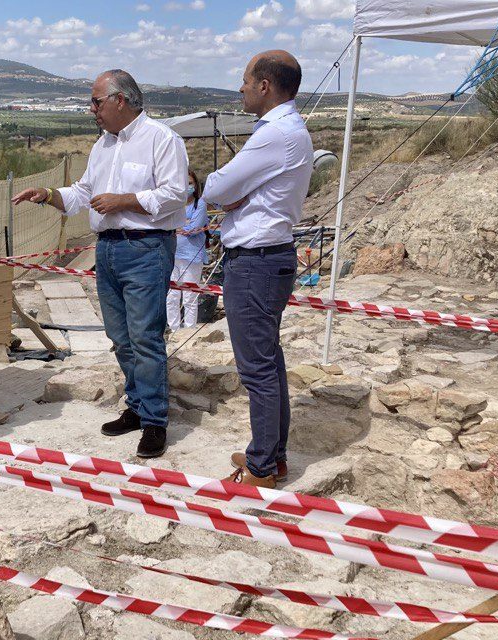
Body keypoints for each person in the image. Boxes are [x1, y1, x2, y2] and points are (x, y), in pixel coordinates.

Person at [12, 70, 189, 459]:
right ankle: (138, 407)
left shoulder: (162, 139)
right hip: (107, 249)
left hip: (146, 249)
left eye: (96, 101)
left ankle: (156, 421)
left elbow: (177, 194)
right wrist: (46, 194)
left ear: (120, 101)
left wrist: (123, 201)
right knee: (121, 338)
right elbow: (82, 194)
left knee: (145, 336)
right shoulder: (102, 145)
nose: (91, 108)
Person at [202, 51, 315, 488]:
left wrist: (230, 194)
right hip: (269, 258)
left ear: (264, 84)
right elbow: (233, 192)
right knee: (269, 364)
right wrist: (237, 195)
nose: (241, 88)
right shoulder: (289, 129)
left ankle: (263, 467)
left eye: (245, 80)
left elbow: (216, 187)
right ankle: (271, 453)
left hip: (256, 261)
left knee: (258, 370)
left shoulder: (274, 134)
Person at [167, 171, 209, 330]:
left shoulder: (200, 204)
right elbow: (167, 225)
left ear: (195, 186)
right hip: (173, 254)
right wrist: (183, 223)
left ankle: (190, 329)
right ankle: (173, 328)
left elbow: (193, 228)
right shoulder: (174, 205)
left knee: (189, 297)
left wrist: (178, 226)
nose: (187, 187)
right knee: (172, 296)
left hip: (192, 256)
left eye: (190, 183)